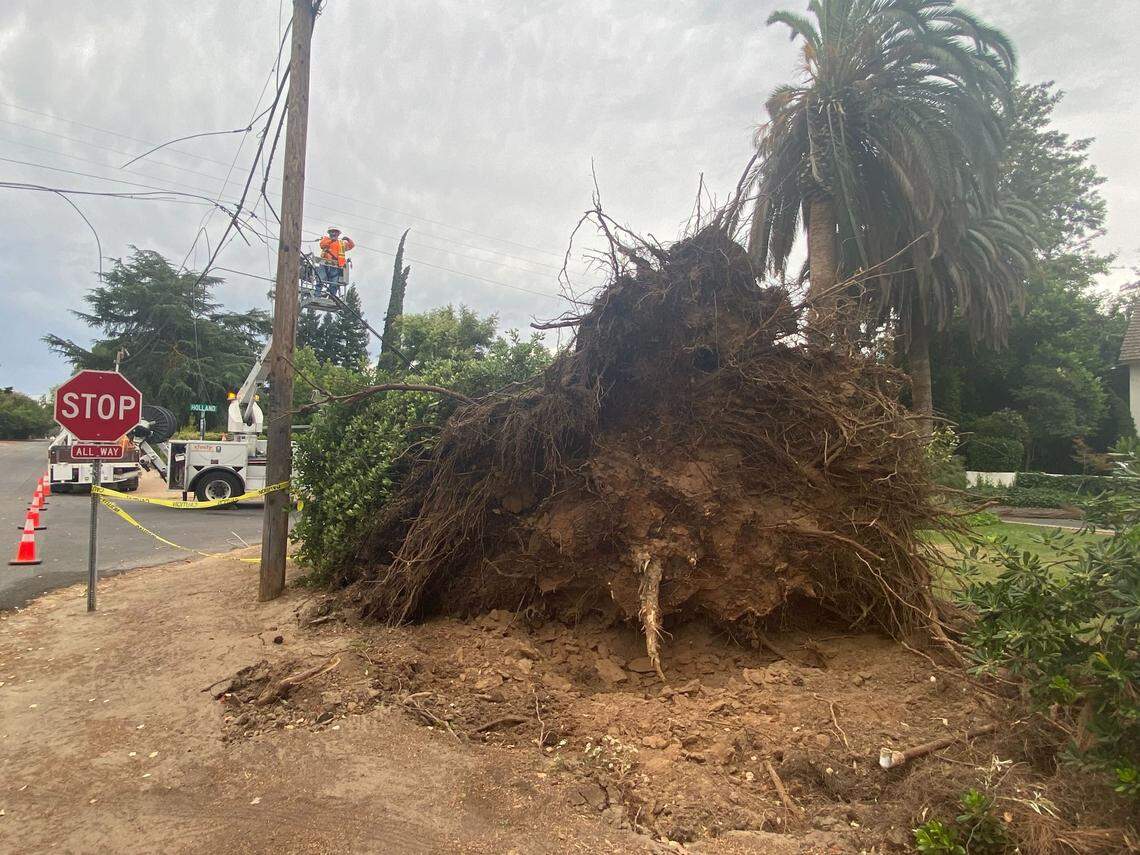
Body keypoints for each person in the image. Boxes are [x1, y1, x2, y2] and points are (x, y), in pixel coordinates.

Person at [316, 226, 354, 296]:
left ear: (338, 234)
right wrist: (331, 240)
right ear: (329, 233)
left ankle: (332, 297)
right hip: (325, 263)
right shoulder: (326, 239)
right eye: (332, 232)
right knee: (321, 279)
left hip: (336, 265)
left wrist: (348, 239)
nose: (333, 233)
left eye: (335, 232)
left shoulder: (341, 244)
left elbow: (351, 245)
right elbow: (322, 245)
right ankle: (317, 295)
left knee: (334, 283)